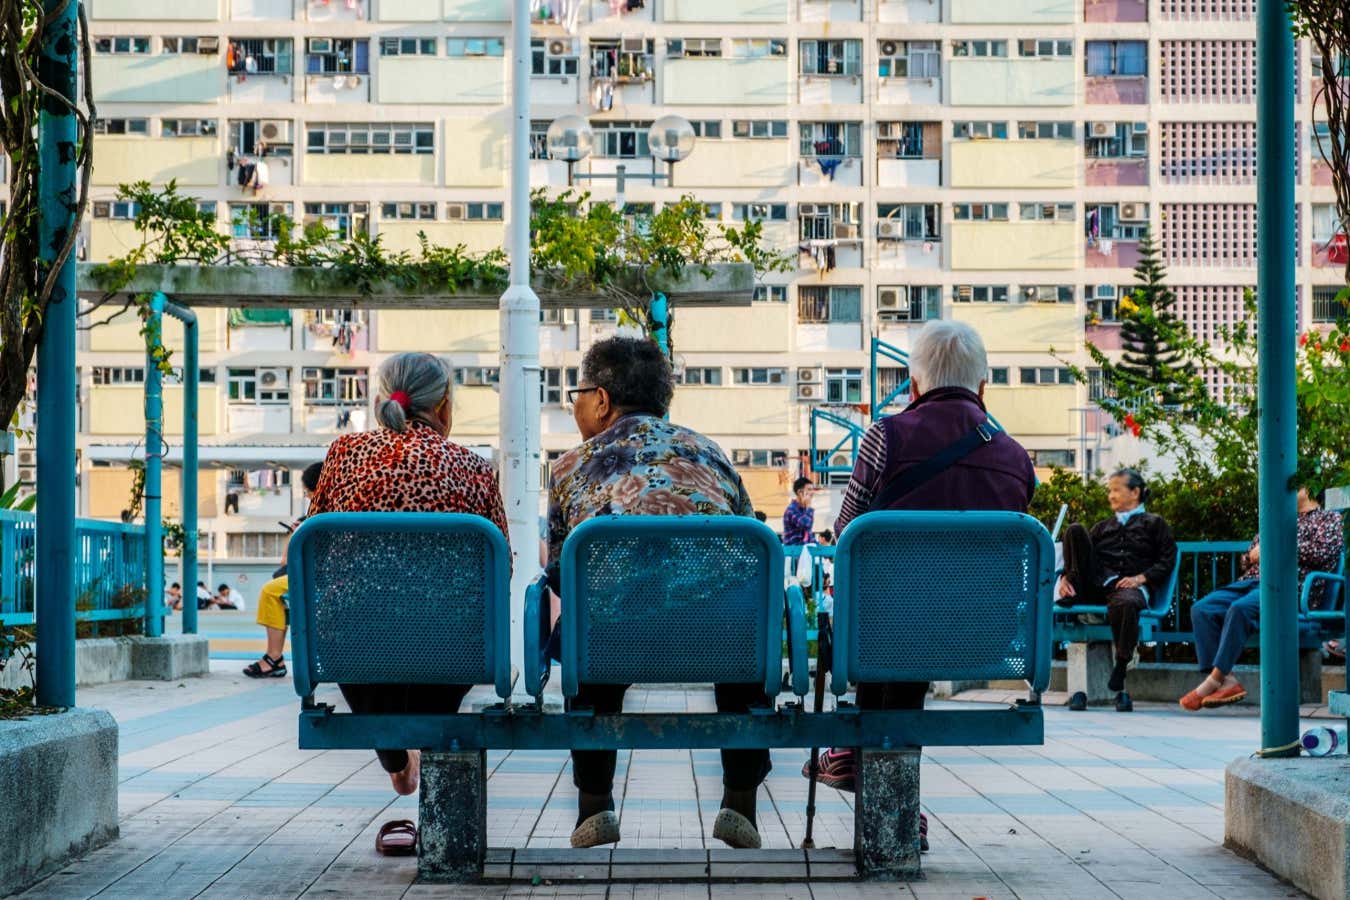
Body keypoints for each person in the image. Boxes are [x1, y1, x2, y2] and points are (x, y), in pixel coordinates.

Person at [807, 320, 1037, 852]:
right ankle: (880, 787)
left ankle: (868, 770)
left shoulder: (885, 437)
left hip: (888, 633)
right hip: (985, 637)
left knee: (896, 616)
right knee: (915, 620)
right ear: (983, 387)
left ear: (913, 386)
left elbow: (846, 533)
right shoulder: (1015, 457)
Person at [547, 336, 767, 851]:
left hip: (612, 644)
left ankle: (595, 807)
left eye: (578, 394)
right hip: (719, 641)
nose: (575, 406)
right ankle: (740, 804)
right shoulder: (710, 454)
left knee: (589, 641)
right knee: (739, 628)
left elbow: (560, 571)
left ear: (602, 400)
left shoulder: (569, 468)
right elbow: (750, 545)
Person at [305, 351, 509, 855]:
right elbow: (500, 564)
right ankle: (418, 768)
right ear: (444, 406)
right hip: (450, 649)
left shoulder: (343, 455)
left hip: (353, 647)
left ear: (382, 400)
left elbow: (315, 549)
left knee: (372, 645)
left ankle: (397, 760)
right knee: (436, 645)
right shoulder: (474, 469)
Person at [1180, 487, 1343, 710]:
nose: (1284, 489)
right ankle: (1227, 681)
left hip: (1290, 587)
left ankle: (1212, 681)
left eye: (1293, 485)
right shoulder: (1277, 519)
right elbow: (1247, 559)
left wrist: (1272, 548)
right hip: (1252, 583)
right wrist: (1252, 556)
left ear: (1309, 489)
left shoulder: (1329, 518)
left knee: (1241, 609)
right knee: (1202, 609)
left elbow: (1322, 552)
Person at [1057, 469, 1178, 712]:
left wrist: (1141, 579)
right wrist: (1064, 579)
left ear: (1135, 492)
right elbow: (1082, 557)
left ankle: (1121, 663)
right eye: (1109, 490)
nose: (1110, 496)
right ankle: (1073, 589)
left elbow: (1167, 559)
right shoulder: (1103, 527)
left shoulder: (1154, 524)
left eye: (1116, 490)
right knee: (1075, 530)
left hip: (1129, 588)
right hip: (1098, 584)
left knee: (1127, 602)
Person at [244, 461, 324, 680]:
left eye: (308, 493)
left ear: (316, 490)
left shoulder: (317, 516)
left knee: (270, 591)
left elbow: (291, 559)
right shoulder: (346, 505)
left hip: (321, 578)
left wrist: (297, 535)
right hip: (340, 578)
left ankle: (274, 657)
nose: (307, 498)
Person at [782, 477, 816, 550]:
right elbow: (806, 525)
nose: (812, 493)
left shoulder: (805, 510)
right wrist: (808, 507)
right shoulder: (791, 510)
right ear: (800, 492)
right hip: (794, 552)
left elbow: (809, 534)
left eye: (812, 489)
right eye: (809, 489)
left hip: (803, 552)